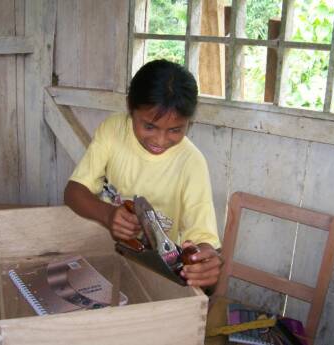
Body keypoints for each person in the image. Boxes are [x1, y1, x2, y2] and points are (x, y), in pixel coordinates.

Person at [64, 59, 222, 288]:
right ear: (130, 108)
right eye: (149, 126)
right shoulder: (113, 130)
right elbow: (73, 192)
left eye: (175, 130)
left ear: (189, 121)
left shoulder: (192, 162)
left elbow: (204, 241)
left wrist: (205, 261)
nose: (160, 140)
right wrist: (108, 215)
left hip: (158, 275)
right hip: (109, 256)